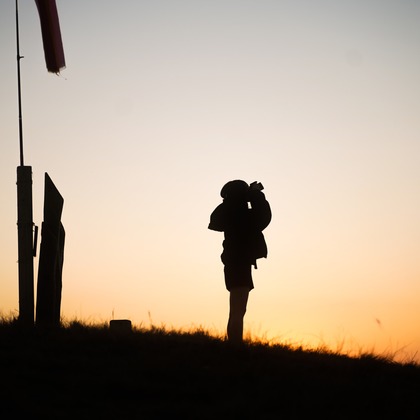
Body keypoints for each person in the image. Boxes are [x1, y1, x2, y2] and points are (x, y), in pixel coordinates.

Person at [208, 180, 272, 344]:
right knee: (238, 310)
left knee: (236, 310)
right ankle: (235, 345)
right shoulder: (244, 216)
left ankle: (234, 344)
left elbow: (216, 219)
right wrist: (255, 194)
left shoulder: (228, 213)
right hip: (240, 264)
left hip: (232, 263)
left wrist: (243, 195)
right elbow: (264, 216)